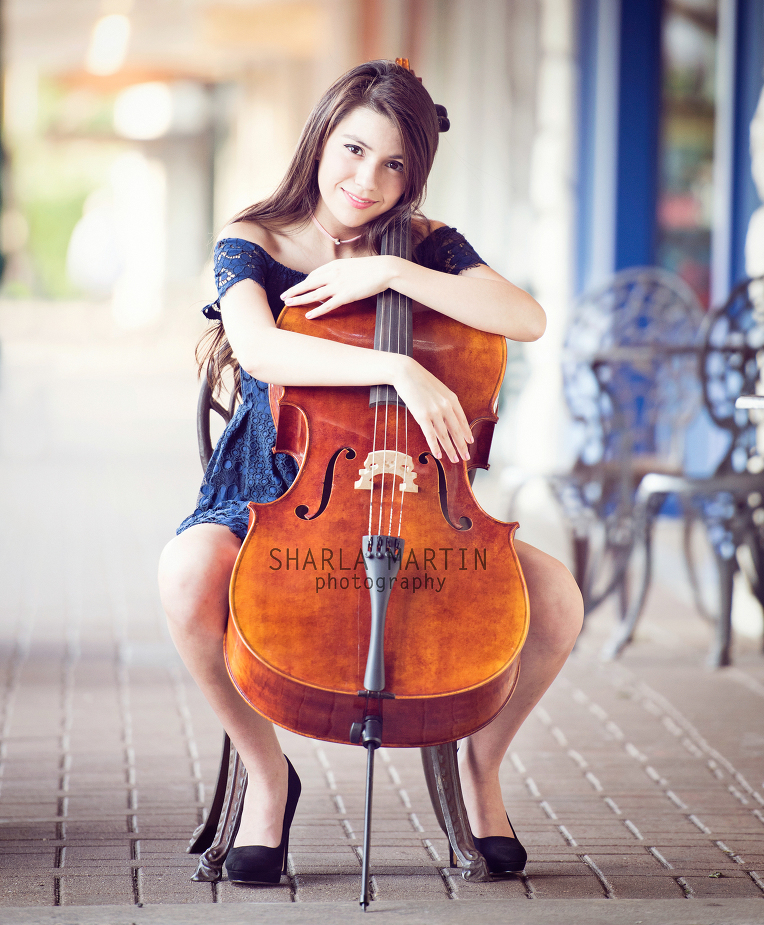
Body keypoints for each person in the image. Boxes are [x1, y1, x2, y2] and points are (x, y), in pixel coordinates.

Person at [158, 59, 583, 886]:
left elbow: (524, 317)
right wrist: (398, 370)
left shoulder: (427, 247)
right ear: (321, 137)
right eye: (354, 150)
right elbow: (260, 347)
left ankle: (483, 771)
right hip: (275, 496)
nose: (368, 180)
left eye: (394, 165)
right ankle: (269, 776)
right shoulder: (254, 242)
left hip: (419, 507)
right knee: (184, 578)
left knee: (558, 602)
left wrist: (391, 271)